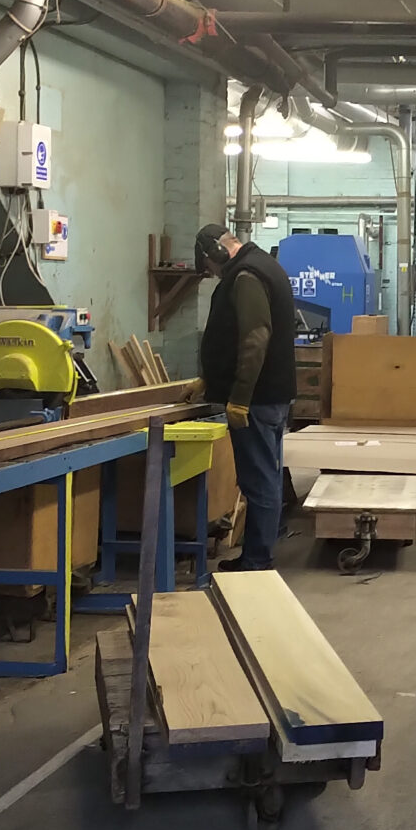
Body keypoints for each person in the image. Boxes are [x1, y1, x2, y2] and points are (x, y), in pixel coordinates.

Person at [190, 223, 297, 570]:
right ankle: (264, 543)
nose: (213, 273)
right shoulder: (263, 264)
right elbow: (233, 335)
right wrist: (209, 379)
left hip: (258, 399)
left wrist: (239, 397)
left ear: (216, 254)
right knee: (269, 473)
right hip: (271, 395)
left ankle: (256, 561)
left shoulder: (246, 276)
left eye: (211, 268)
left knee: (259, 480)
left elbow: (255, 336)